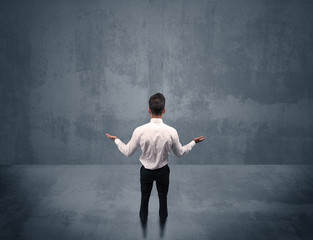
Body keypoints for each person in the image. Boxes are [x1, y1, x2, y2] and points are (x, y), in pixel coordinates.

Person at [106, 93, 205, 225]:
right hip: (163, 172)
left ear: (149, 110)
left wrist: (116, 140)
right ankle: (163, 223)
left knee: (144, 199)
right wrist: (193, 142)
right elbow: (180, 153)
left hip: (146, 172)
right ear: (164, 110)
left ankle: (143, 224)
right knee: (163, 199)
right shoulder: (171, 131)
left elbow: (128, 152)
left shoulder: (139, 131)